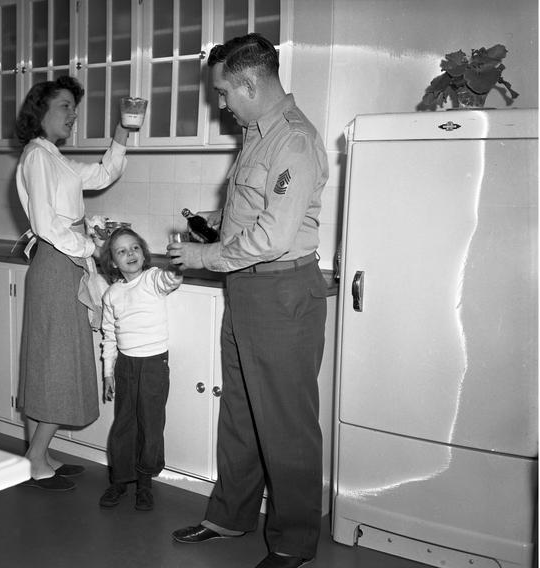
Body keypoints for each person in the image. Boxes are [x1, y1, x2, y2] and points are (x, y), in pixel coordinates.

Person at [166, 33, 330, 568]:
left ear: (250, 83)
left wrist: (205, 256)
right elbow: (256, 212)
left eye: (224, 93)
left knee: (285, 423)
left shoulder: (293, 141)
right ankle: (230, 516)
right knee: (241, 414)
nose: (221, 103)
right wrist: (215, 225)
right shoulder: (256, 134)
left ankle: (292, 541)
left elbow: (277, 236)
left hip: (282, 291)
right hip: (249, 289)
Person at [15, 76, 136, 491]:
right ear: (40, 111)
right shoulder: (36, 157)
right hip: (57, 264)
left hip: (63, 264)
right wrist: (90, 245)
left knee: (49, 358)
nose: (73, 114)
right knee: (58, 361)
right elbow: (46, 224)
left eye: (74, 107)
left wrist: (124, 129)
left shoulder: (55, 159)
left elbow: (103, 173)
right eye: (65, 106)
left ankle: (39, 454)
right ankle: (34, 457)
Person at [97, 228, 183, 511]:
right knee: (124, 424)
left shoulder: (152, 279)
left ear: (144, 253)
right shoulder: (112, 294)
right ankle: (119, 480)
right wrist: (108, 372)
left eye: (135, 248)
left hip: (154, 364)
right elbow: (108, 336)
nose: (130, 254)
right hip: (125, 365)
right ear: (112, 262)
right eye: (121, 251)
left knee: (151, 424)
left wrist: (177, 264)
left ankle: (145, 483)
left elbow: (170, 280)